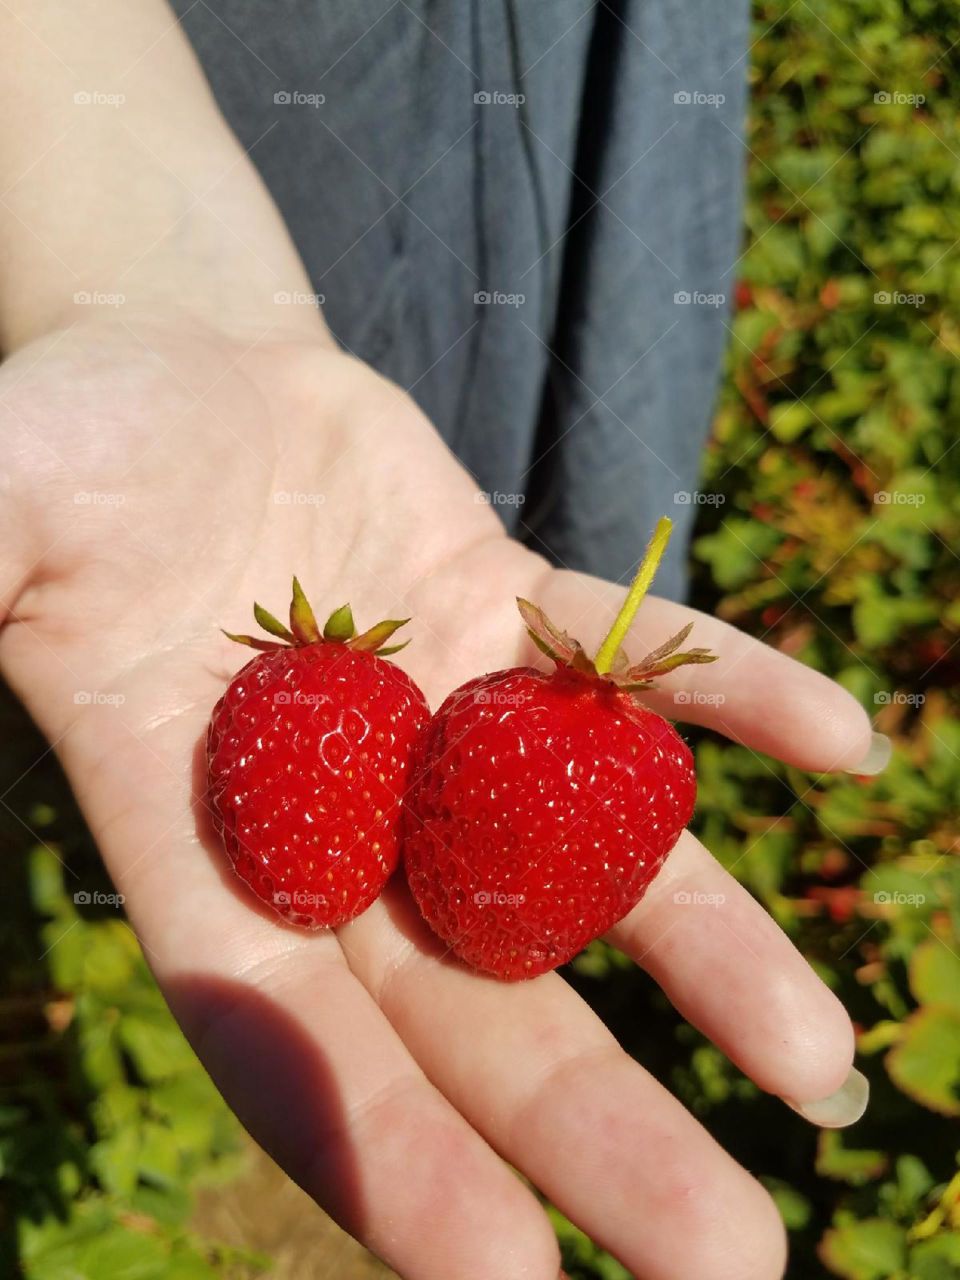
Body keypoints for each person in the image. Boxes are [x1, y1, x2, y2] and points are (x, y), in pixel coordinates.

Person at [0, 4, 887, 1278]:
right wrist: (153, 290)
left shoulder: (539, 730)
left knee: (568, 409)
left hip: (580, 81)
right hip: (271, 117)